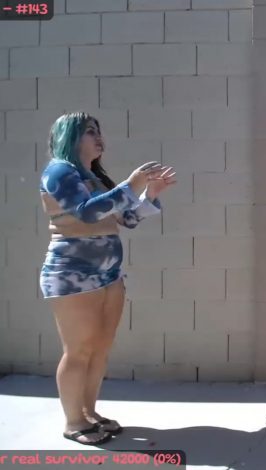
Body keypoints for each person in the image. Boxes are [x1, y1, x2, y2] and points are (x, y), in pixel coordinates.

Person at [39, 112, 176, 445]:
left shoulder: (94, 176)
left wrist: (150, 194)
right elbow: (87, 212)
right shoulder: (59, 171)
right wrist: (131, 185)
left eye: (99, 130)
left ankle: (89, 412)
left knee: (99, 348)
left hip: (109, 275)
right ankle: (74, 421)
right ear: (69, 136)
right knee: (78, 350)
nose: (98, 137)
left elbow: (127, 218)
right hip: (72, 275)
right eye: (89, 131)